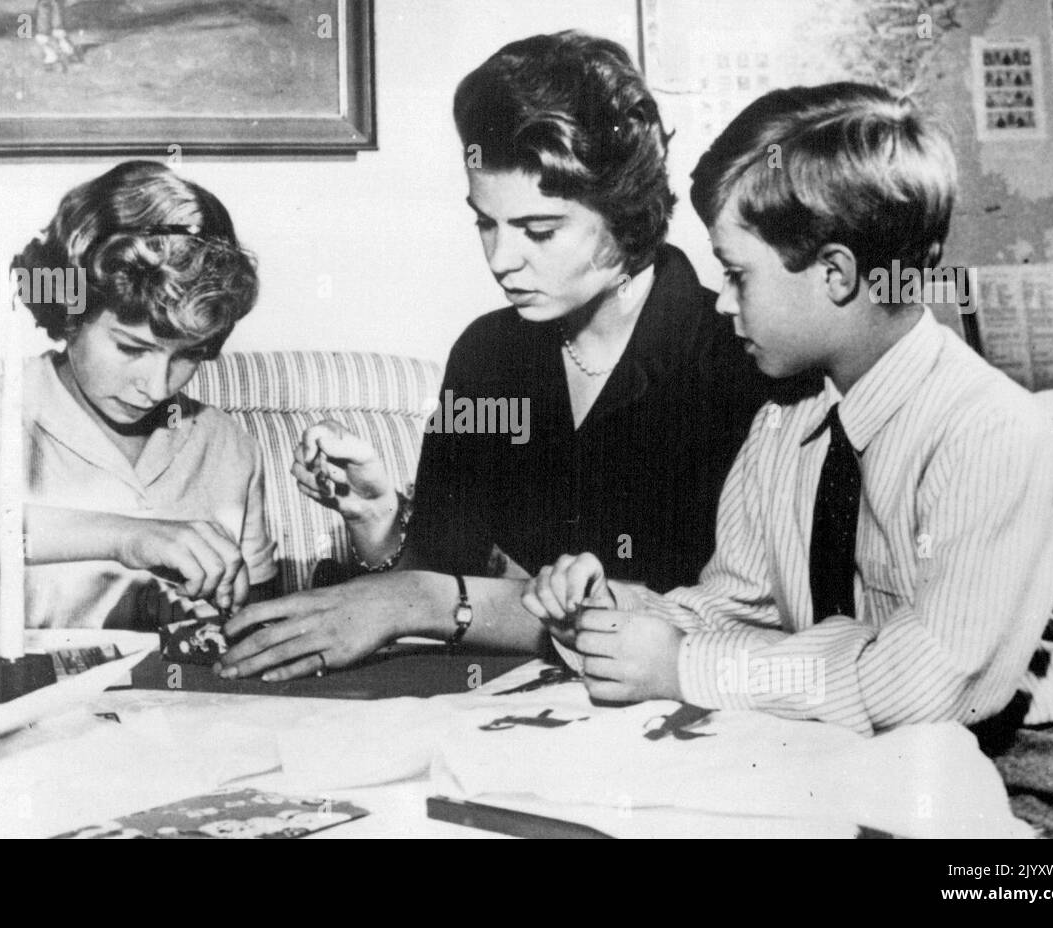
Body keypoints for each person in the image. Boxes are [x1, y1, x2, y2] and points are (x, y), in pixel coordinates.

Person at [530, 82, 1053, 837]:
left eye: (738, 274)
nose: (720, 302)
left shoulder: (989, 434)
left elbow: (925, 687)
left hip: (1037, 780)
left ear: (837, 274)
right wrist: (620, 620)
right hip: (861, 754)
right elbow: (735, 605)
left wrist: (686, 665)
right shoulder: (785, 422)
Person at [220, 31, 792, 681]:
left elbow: (714, 619)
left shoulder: (745, 362)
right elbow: (433, 579)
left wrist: (428, 599)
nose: (500, 260)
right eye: (485, 223)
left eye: (539, 230)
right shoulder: (490, 355)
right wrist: (380, 522)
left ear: (628, 212)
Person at [0, 161, 277, 628]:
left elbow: (255, 624)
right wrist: (126, 537)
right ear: (70, 313)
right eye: (132, 347)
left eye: (189, 355)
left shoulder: (225, 441)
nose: (156, 387)